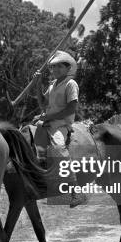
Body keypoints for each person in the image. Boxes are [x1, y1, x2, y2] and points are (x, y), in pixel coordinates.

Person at [33, 50, 87, 208]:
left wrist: (48, 117)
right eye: (52, 67)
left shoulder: (71, 84)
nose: (54, 70)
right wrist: (37, 84)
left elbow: (71, 109)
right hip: (47, 122)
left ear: (67, 67)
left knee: (57, 147)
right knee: (32, 143)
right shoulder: (52, 84)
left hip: (62, 124)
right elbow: (43, 104)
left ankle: (76, 191)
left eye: (58, 67)